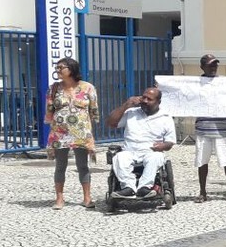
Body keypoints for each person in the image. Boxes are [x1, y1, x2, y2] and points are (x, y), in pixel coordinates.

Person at [44, 57, 100, 209]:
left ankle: (87, 198)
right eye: (57, 67)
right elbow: (49, 109)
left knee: (82, 165)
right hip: (59, 133)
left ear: (72, 69)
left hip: (81, 132)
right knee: (60, 165)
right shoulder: (54, 88)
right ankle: (59, 199)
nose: (58, 70)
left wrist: (90, 130)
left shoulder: (88, 87)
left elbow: (93, 109)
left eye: (61, 67)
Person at [106, 87, 176, 198]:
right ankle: (128, 188)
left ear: (158, 102)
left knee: (156, 157)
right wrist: (126, 105)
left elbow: (170, 142)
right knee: (119, 157)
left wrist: (163, 146)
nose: (145, 101)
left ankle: (144, 188)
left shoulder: (166, 118)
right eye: (143, 97)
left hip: (151, 151)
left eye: (149, 99)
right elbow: (111, 123)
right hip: (130, 150)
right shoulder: (131, 112)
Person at [194, 54, 226, 204]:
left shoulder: (224, 82)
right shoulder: (195, 83)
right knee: (202, 161)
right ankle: (202, 191)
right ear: (202, 67)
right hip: (203, 128)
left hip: (221, 128)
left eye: (215, 65)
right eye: (210, 65)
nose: (213, 67)